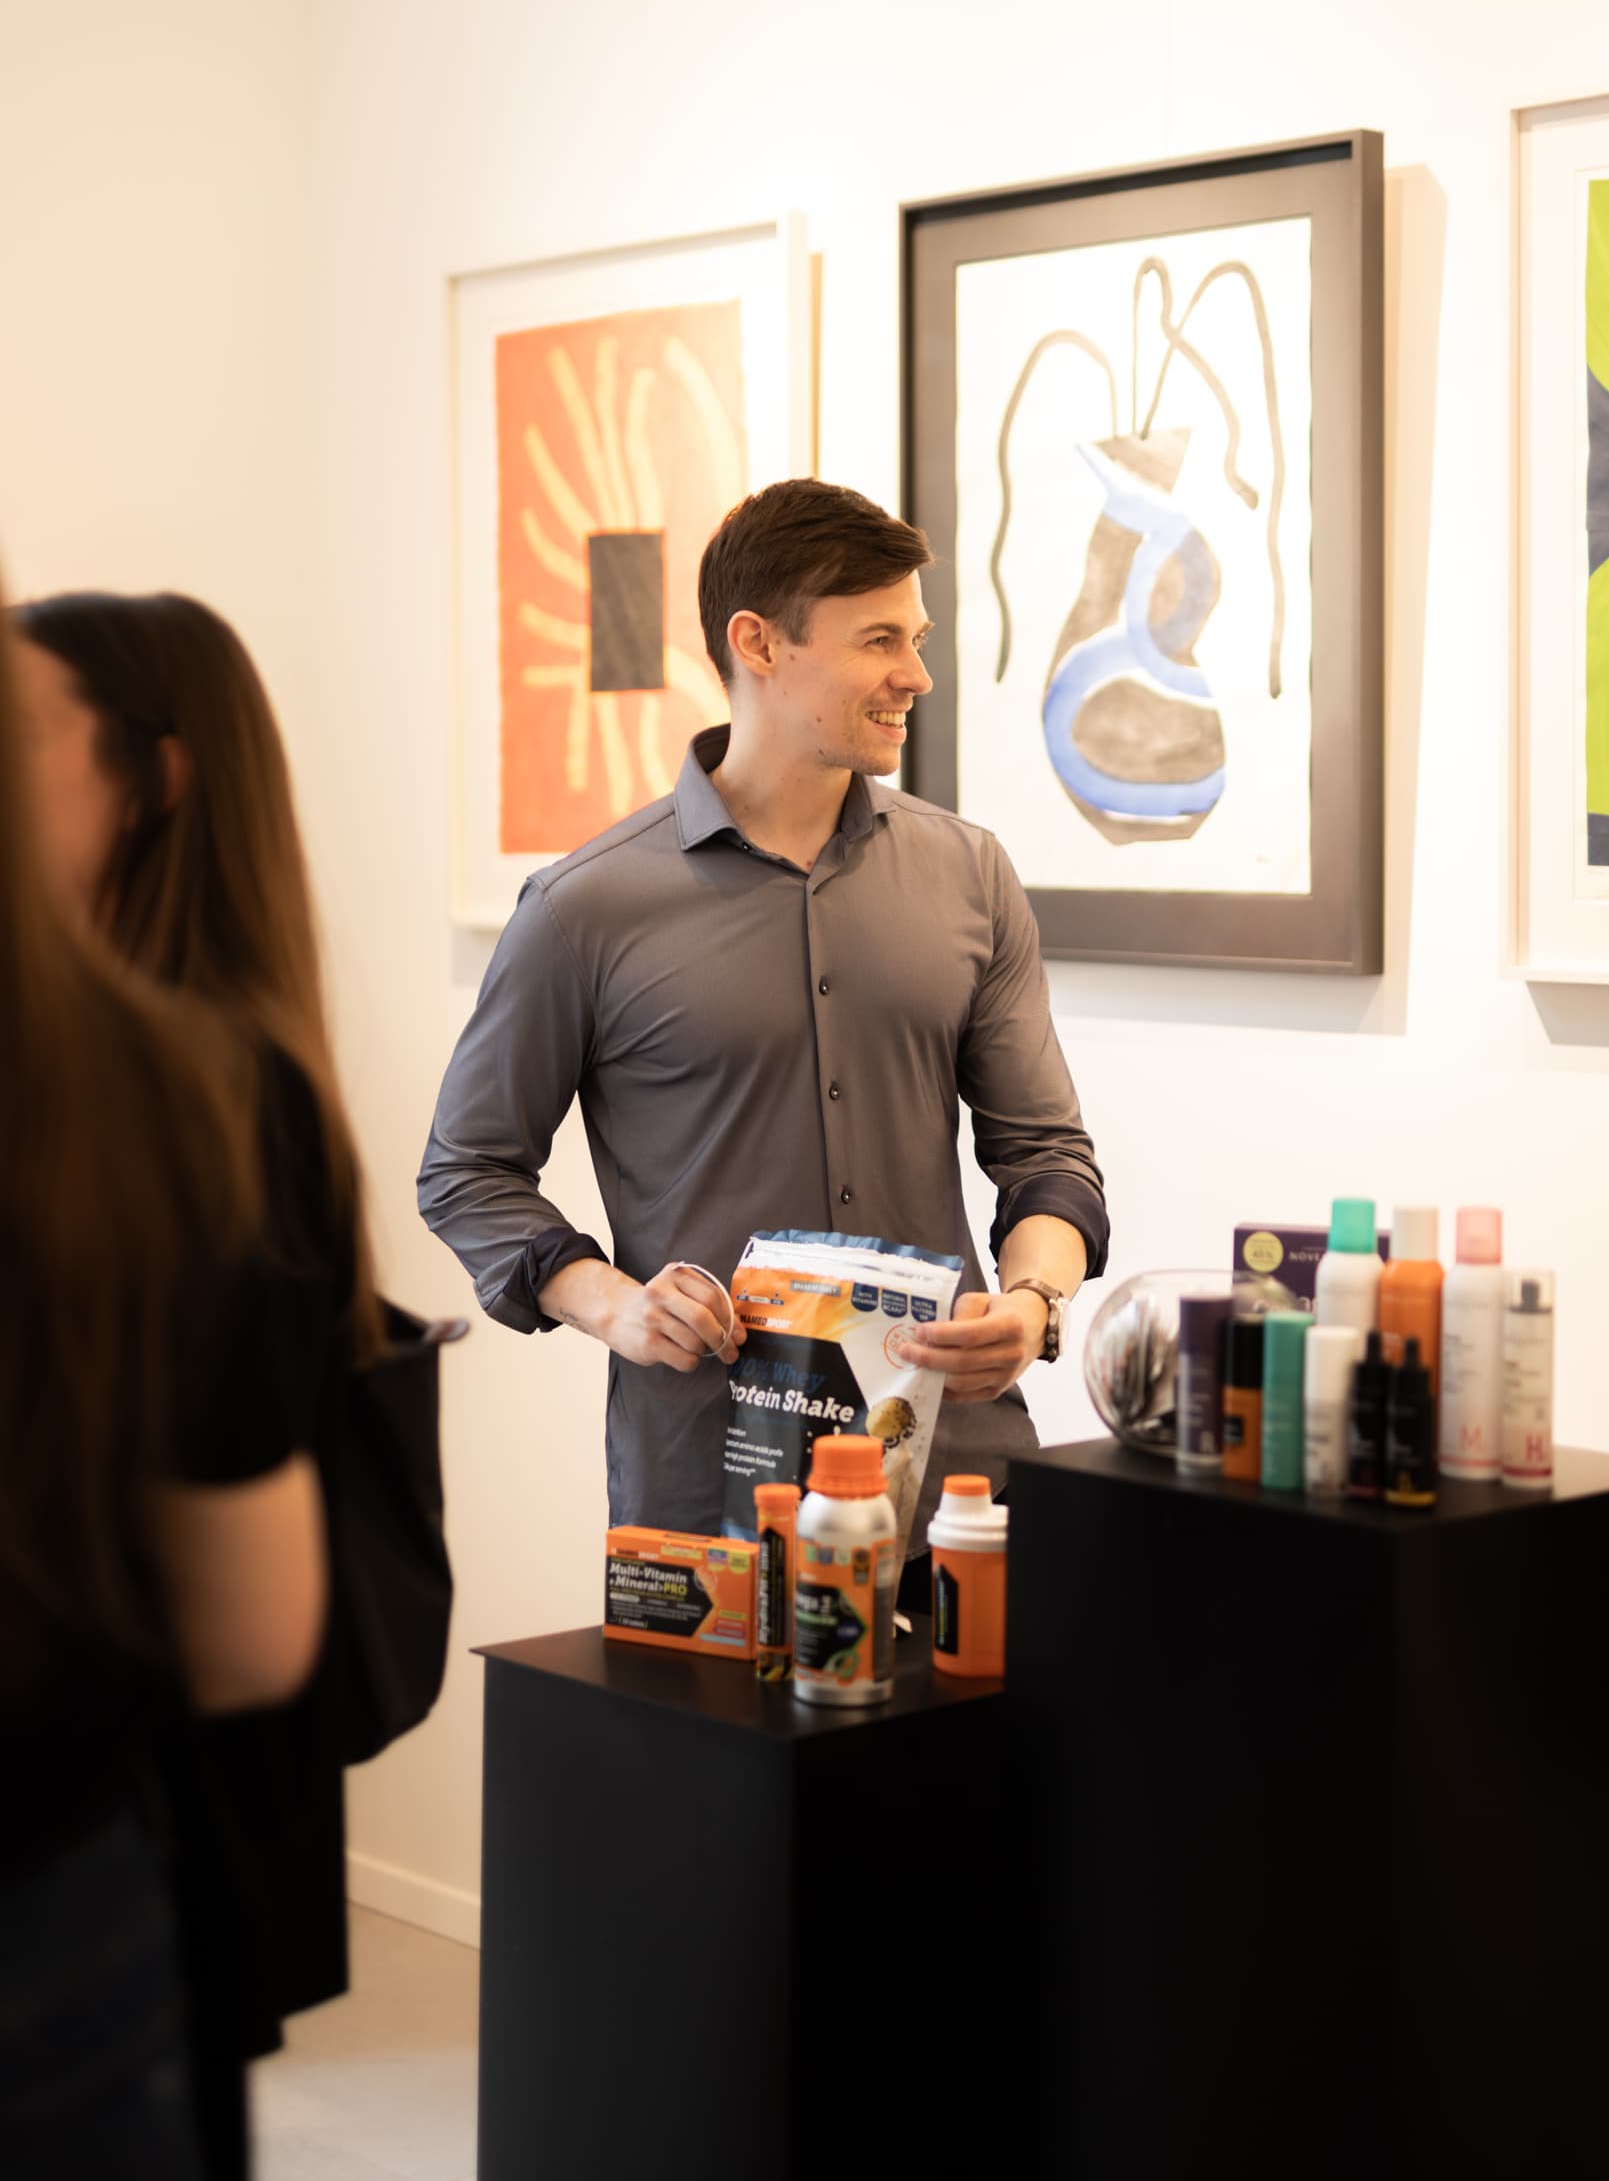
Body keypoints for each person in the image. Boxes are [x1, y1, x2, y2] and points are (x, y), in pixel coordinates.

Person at [419, 478, 1107, 1568]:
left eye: (917, 639)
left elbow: (1047, 1156)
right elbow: (466, 1171)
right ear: (758, 643)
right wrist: (611, 1304)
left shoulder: (970, 876)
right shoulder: (582, 908)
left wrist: (1033, 1302)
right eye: (879, 639)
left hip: (956, 1483)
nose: (916, 675)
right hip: (710, 1505)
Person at [12, 589, 377, 2179]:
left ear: (154, 777)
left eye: (23, 730)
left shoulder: (208, 1093)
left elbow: (247, 1629)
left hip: (146, 1803)